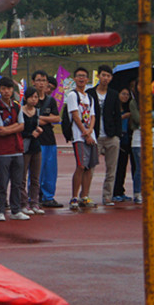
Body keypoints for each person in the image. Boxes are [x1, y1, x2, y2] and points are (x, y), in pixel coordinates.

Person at [0, 77, 29, 221]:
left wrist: (10, 129)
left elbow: (22, 126)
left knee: (17, 182)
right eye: (3, 89)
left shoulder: (17, 106)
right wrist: (14, 127)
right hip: (2, 151)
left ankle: (16, 210)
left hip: (17, 149)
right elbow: (0, 130)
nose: (6, 91)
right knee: (2, 182)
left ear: (12, 90)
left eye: (9, 88)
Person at [86, 65, 122, 206]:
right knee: (90, 168)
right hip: (94, 136)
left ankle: (107, 196)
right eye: (103, 75)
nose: (105, 78)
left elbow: (117, 116)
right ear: (98, 76)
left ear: (111, 78)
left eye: (108, 76)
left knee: (111, 169)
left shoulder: (113, 94)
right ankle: (86, 195)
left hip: (111, 136)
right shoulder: (90, 93)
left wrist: (117, 135)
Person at [67, 67, 98, 210]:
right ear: (74, 79)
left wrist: (90, 131)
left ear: (87, 79)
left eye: (84, 76)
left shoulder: (89, 97)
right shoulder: (73, 95)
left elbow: (92, 116)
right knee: (81, 166)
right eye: (78, 76)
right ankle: (74, 197)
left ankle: (84, 196)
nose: (81, 78)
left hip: (90, 136)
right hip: (79, 137)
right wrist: (85, 133)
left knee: (89, 167)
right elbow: (75, 116)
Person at [38, 73, 63, 208]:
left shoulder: (51, 101)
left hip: (50, 140)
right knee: (36, 171)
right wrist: (47, 118)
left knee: (50, 170)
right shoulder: (30, 99)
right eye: (39, 81)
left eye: (51, 88)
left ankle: (48, 197)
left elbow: (57, 118)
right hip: (36, 141)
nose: (46, 88)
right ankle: (34, 196)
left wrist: (43, 119)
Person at [20, 86, 45, 215]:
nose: (34, 100)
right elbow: (20, 129)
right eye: (31, 97)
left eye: (36, 97)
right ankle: (23, 203)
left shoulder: (37, 111)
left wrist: (38, 130)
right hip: (25, 146)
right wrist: (30, 134)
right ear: (25, 98)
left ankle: (34, 202)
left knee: (35, 177)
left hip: (36, 147)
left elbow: (37, 126)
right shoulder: (21, 111)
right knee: (22, 177)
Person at [112, 88, 134, 202]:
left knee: (123, 166)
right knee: (116, 166)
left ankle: (121, 190)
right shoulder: (114, 107)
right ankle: (114, 191)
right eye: (123, 94)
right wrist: (123, 117)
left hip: (126, 138)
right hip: (117, 137)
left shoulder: (128, 108)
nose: (125, 96)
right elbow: (112, 120)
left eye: (127, 94)